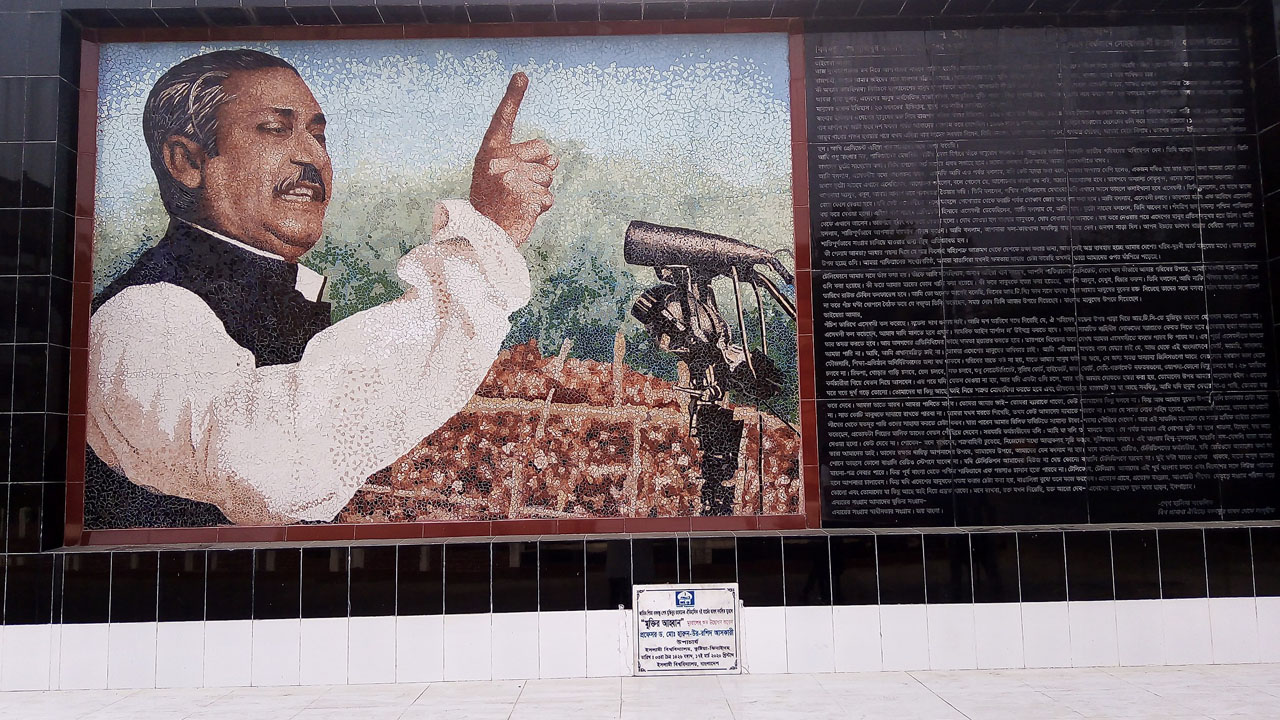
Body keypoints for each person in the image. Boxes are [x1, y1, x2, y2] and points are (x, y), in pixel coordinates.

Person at [86, 49, 557, 526]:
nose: (312, 156)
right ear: (187, 161)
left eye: (318, 135)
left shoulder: (279, 293)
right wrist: (483, 241)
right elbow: (270, 465)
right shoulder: (139, 318)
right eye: (275, 129)